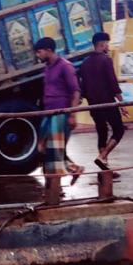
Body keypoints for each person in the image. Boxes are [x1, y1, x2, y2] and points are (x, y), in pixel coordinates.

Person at [35, 37, 82, 189]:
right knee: (43, 148)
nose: (38, 55)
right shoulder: (47, 67)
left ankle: (55, 189)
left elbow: (75, 92)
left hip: (61, 114)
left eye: (39, 52)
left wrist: (72, 115)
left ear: (49, 50)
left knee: (54, 151)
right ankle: (74, 169)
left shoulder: (65, 66)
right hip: (48, 113)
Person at [79, 32, 128, 174]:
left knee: (102, 132)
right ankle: (103, 156)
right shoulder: (106, 60)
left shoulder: (84, 63)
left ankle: (105, 170)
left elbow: (82, 87)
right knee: (118, 130)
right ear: (102, 44)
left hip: (93, 105)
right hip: (108, 103)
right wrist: (122, 104)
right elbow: (113, 84)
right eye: (107, 43)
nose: (108, 46)